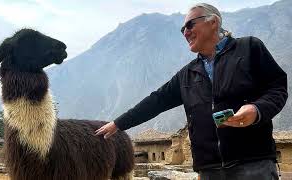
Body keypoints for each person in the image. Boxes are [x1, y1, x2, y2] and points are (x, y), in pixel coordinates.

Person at [95, 3, 287, 179]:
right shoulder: (187, 74)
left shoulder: (249, 48)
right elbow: (156, 101)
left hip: (253, 164)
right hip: (209, 169)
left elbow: (277, 88)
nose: (185, 33)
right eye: (182, 29)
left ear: (213, 22)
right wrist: (118, 124)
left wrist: (257, 109)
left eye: (189, 25)